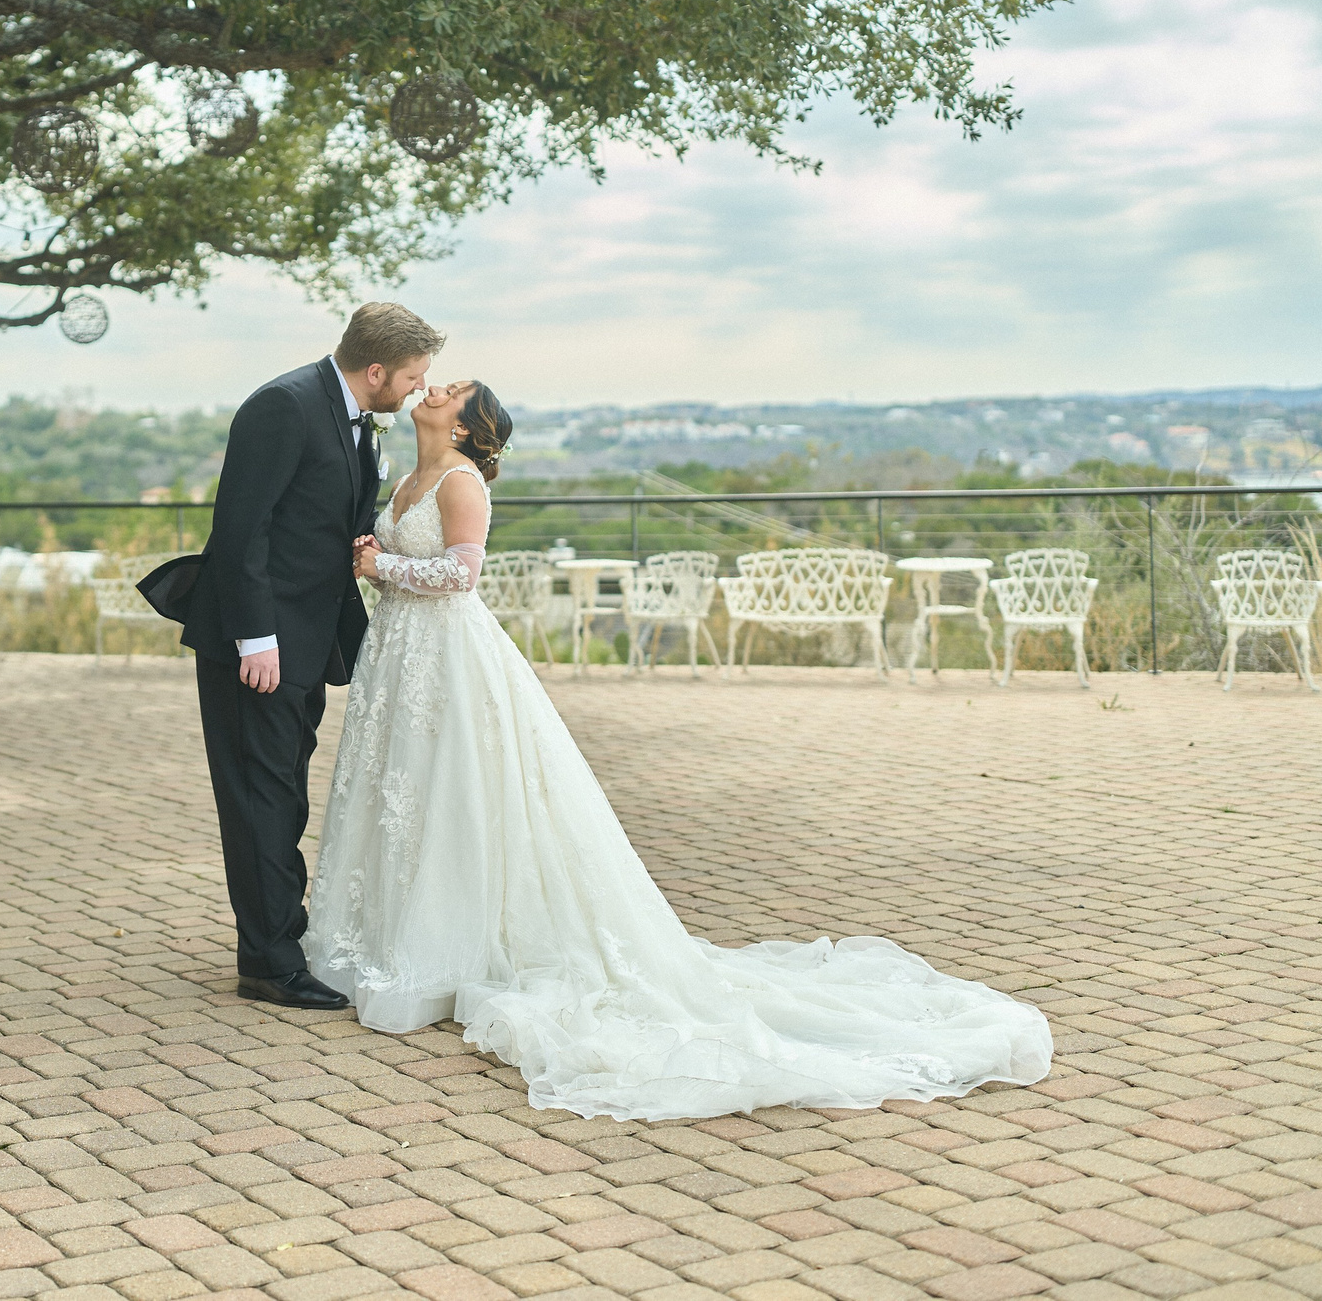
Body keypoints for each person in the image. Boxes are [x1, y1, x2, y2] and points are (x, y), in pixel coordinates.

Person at [309, 378, 1053, 1119]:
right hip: (402, 659)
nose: (433, 388)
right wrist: (373, 555)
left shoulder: (462, 481)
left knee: (456, 794)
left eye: (452, 390)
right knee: (407, 793)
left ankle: (448, 957)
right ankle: (394, 941)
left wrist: (383, 566)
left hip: (450, 659)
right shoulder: (407, 475)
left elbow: (464, 573)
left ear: (468, 429)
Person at [185, 303, 440, 1009]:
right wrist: (255, 638)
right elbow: (241, 530)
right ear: (378, 369)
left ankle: (281, 938)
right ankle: (269, 964)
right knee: (261, 798)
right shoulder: (284, 405)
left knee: (284, 793)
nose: (418, 390)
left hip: (305, 638)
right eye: (413, 378)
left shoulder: (356, 418)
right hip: (258, 646)